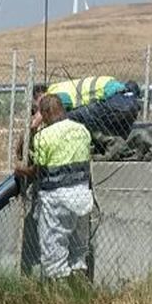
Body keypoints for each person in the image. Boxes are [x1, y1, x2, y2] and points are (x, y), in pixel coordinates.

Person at [16, 92, 93, 279]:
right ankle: (79, 286)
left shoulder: (44, 137)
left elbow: (33, 168)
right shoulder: (82, 130)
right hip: (82, 196)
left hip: (56, 199)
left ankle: (58, 296)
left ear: (44, 113)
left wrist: (20, 171)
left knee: (54, 251)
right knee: (78, 249)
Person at [31, 74, 141, 143]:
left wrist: (35, 125)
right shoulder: (63, 86)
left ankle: (107, 142)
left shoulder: (53, 91)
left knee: (68, 118)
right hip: (125, 99)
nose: (37, 111)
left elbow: (65, 101)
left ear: (40, 96)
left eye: (36, 108)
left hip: (114, 100)